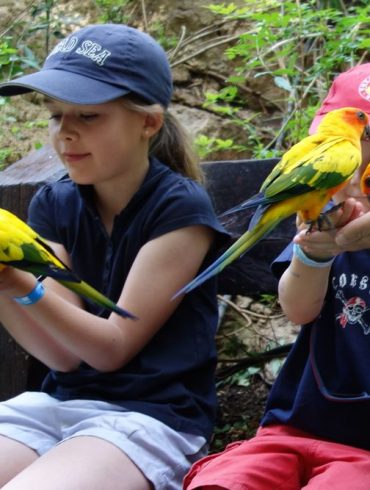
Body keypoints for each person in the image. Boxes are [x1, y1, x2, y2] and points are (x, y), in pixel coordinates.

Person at [0, 24, 229, 489]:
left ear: (148, 122)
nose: (65, 133)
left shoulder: (179, 209)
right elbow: (62, 355)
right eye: (56, 115)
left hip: (153, 417)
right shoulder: (55, 203)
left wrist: (19, 280)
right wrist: (5, 284)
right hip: (59, 405)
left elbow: (110, 349)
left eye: (88, 116)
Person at [184, 63, 370, 490]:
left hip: (362, 451)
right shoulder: (321, 223)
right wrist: (318, 251)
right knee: (225, 482)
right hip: (292, 430)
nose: (358, 176)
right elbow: (299, 308)